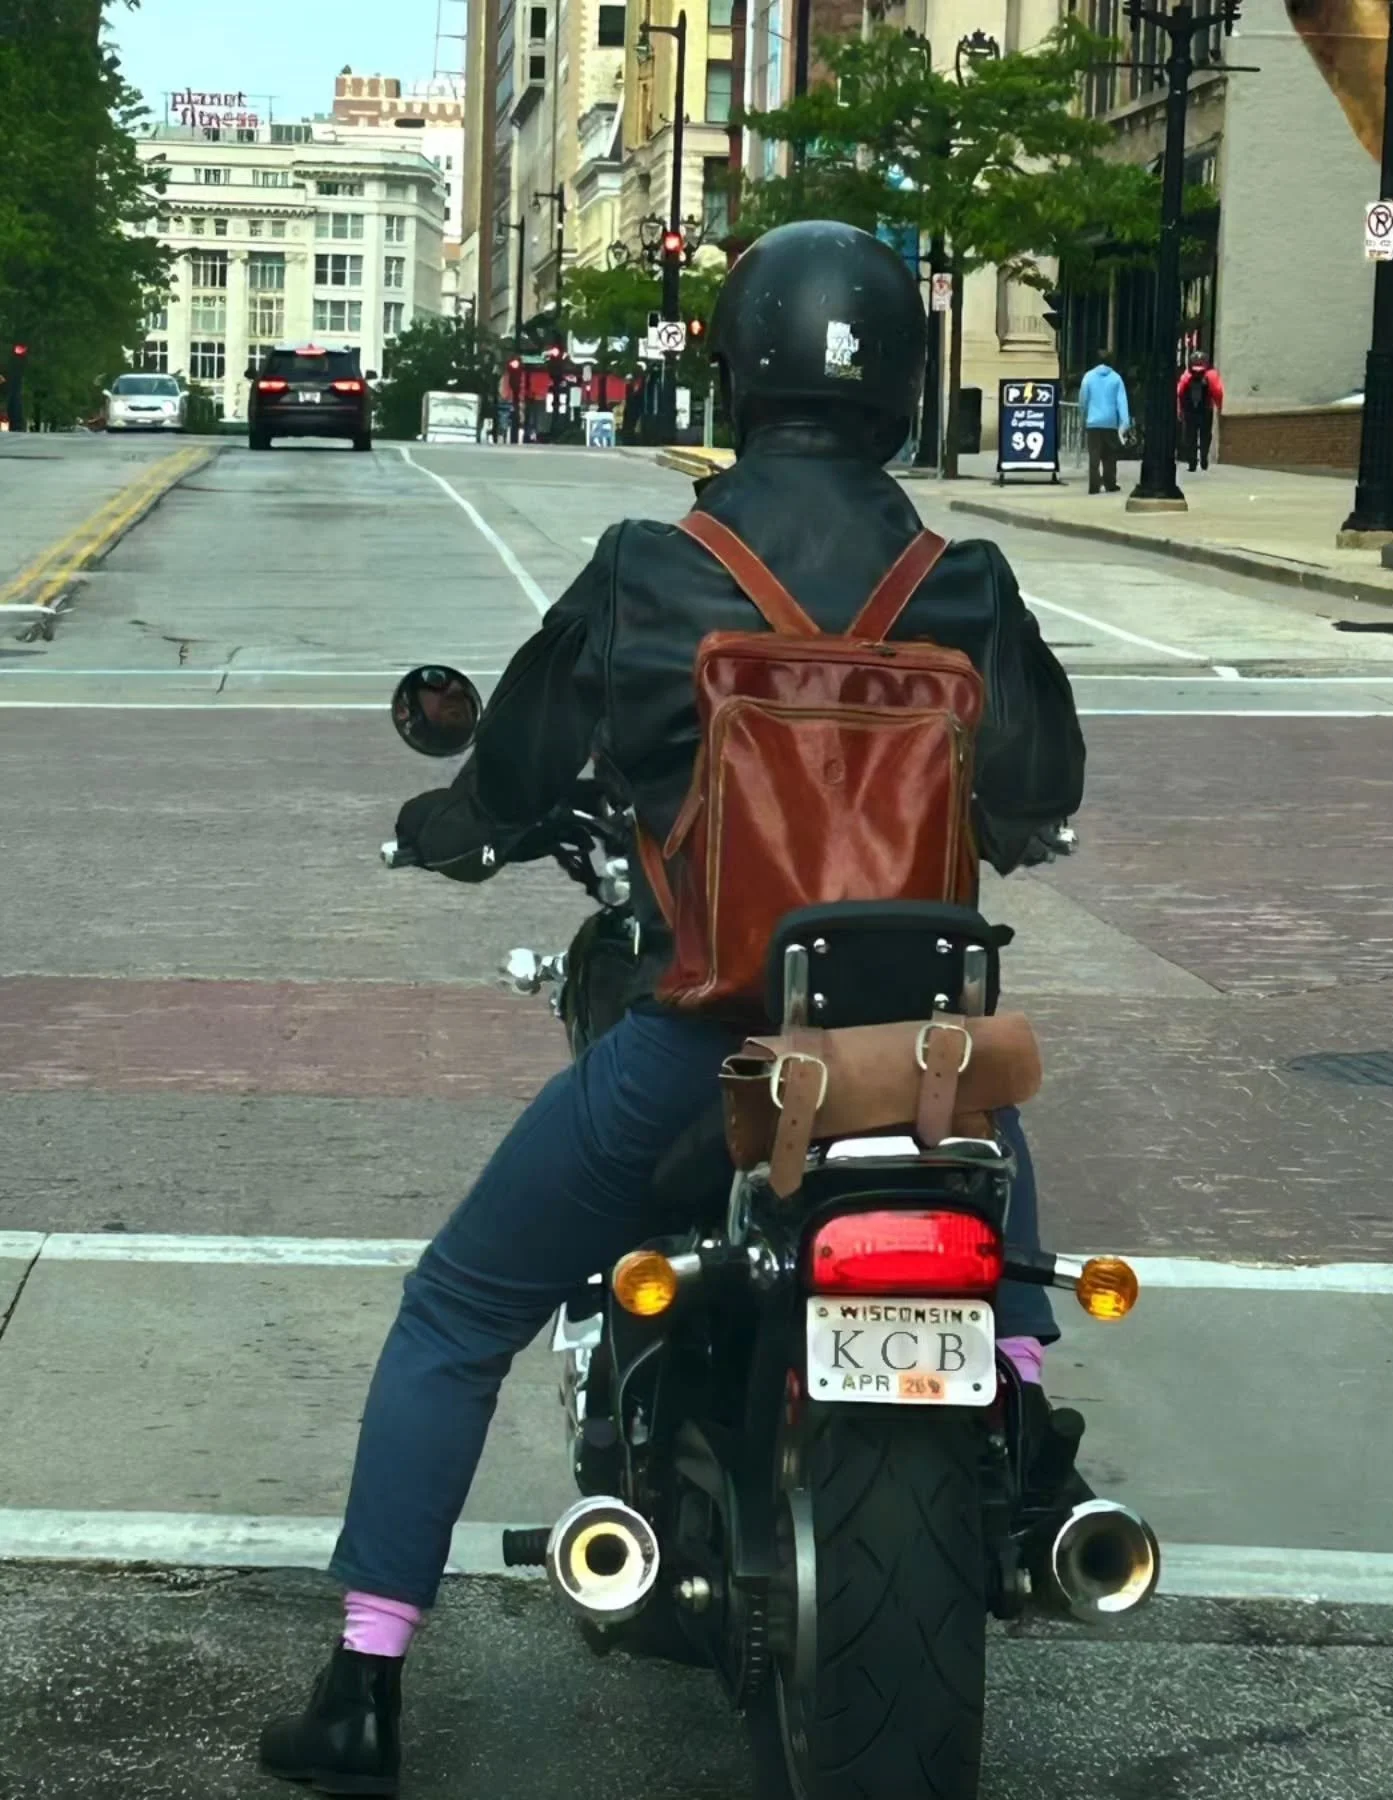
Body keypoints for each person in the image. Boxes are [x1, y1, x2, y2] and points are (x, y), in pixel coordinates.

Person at [258, 220, 1087, 1797]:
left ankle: (364, 1684)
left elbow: (511, 764)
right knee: (986, 1159)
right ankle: (1028, 1431)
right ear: (906, 382)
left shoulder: (657, 569)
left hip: (701, 1041)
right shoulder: (964, 582)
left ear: (736, 366)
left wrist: (466, 823)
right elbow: (1043, 784)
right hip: (910, 1058)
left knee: (459, 1306)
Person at [1078, 349, 1131, 494]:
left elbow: (1083, 399)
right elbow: (1122, 402)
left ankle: (1094, 485)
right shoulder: (1116, 378)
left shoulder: (1088, 377)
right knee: (1110, 456)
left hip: (1093, 422)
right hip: (1110, 422)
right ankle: (1110, 483)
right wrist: (1124, 423)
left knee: (1094, 456)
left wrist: (1083, 415)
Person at [1177, 350, 1224, 473]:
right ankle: (1203, 457)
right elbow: (1218, 391)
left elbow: (1180, 393)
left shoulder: (1186, 376)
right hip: (1205, 410)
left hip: (1190, 411)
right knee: (1205, 435)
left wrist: (1180, 410)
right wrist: (1219, 406)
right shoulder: (1211, 375)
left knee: (1190, 436)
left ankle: (1192, 461)